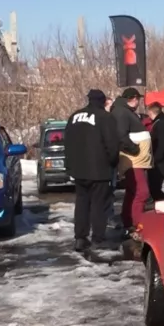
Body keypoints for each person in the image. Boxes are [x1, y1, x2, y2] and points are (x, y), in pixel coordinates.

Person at [64, 90, 123, 253]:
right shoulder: (105, 117)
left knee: (82, 203)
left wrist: (70, 165)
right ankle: (98, 238)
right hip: (99, 169)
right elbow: (112, 144)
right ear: (103, 101)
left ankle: (80, 238)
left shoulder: (74, 117)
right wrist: (113, 163)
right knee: (99, 204)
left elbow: (67, 143)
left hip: (79, 169)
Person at [111, 87, 152, 237]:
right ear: (133, 98)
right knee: (142, 192)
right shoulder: (121, 112)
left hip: (136, 160)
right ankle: (137, 225)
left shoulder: (124, 111)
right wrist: (134, 149)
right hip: (133, 160)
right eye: (138, 99)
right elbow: (121, 135)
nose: (139, 102)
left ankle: (128, 221)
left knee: (132, 191)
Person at [147, 102, 164, 201]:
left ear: (151, 112)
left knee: (155, 187)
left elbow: (163, 144)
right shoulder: (159, 123)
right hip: (159, 159)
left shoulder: (161, 124)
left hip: (160, 161)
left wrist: (156, 159)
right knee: (154, 187)